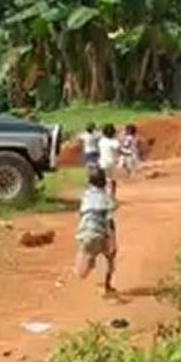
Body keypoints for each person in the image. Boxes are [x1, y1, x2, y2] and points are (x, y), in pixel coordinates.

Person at [74, 164, 118, 294]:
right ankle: (106, 286)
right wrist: (113, 240)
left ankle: (85, 265)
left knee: (86, 255)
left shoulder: (86, 196)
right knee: (109, 256)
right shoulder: (106, 198)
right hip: (99, 233)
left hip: (83, 232)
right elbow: (109, 219)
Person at [97, 123, 118, 198]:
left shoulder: (101, 141)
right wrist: (128, 153)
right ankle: (112, 195)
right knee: (112, 179)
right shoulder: (114, 141)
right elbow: (119, 150)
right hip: (112, 163)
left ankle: (105, 195)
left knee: (105, 179)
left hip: (103, 162)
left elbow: (99, 151)